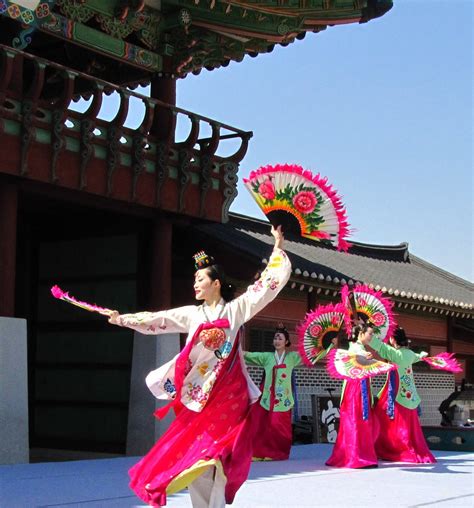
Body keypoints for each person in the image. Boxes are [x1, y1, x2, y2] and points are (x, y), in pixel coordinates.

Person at [108, 225, 291, 507]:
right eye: (194, 279)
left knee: (216, 456)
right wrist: (122, 319)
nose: (195, 284)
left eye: (200, 278)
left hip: (229, 396)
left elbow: (265, 287)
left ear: (216, 283)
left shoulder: (235, 310)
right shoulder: (192, 315)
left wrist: (277, 247)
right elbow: (159, 320)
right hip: (198, 397)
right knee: (197, 457)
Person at [360, 326, 436, 463]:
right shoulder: (409, 353)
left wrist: (368, 336)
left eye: (390, 337)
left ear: (393, 339)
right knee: (407, 424)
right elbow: (418, 357)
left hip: (396, 393)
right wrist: (423, 355)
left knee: (380, 415)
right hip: (409, 395)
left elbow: (381, 347)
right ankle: (405, 447)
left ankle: (394, 449)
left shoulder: (396, 354)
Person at [244, 324, 302, 461]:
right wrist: (232, 349)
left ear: (286, 342)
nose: (277, 341)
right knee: (261, 425)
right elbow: (248, 355)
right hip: (267, 397)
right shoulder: (267, 357)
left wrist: (327, 346)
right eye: (275, 338)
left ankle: (277, 453)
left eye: (280, 338)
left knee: (279, 426)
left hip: (283, 399)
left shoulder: (292, 358)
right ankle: (260, 453)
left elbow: (311, 356)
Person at [325, 322, 378, 468]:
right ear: (361, 333)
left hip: (360, 387)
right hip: (356, 388)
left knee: (358, 419)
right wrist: (364, 358)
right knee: (355, 419)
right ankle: (356, 456)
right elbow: (350, 360)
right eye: (370, 333)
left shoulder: (358, 347)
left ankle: (356, 454)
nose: (371, 336)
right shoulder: (354, 348)